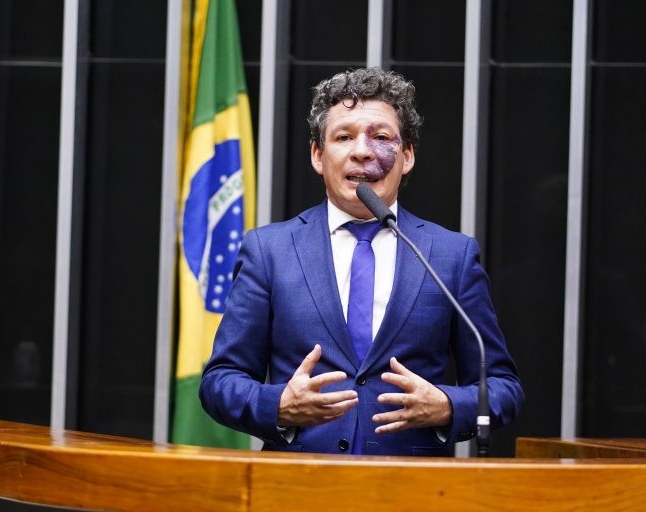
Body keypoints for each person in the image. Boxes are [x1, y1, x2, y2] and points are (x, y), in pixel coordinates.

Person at [199, 67, 523, 456]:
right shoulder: (269, 251)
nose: (363, 151)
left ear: (407, 156)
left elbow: (503, 387)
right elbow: (220, 381)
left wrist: (448, 406)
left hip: (412, 484)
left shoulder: (451, 255)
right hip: (297, 480)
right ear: (318, 155)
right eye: (344, 137)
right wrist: (279, 406)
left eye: (381, 137)